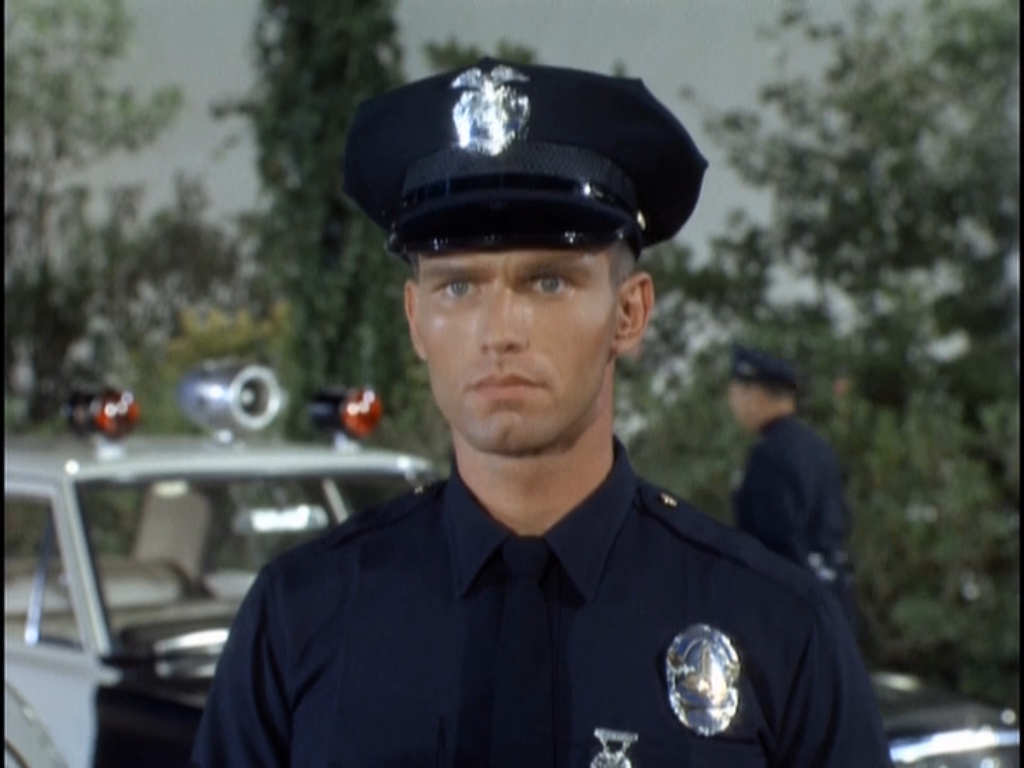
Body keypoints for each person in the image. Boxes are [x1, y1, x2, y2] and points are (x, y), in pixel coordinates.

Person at [191, 58, 892, 767]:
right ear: (415, 320)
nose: (500, 331)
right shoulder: (303, 616)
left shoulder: (773, 624)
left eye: (549, 281)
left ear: (629, 313)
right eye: (458, 286)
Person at [727, 344, 863, 639]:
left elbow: (773, 542)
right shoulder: (819, 448)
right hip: (834, 599)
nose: (732, 403)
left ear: (756, 394)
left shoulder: (769, 455)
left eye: (736, 392)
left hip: (789, 611)